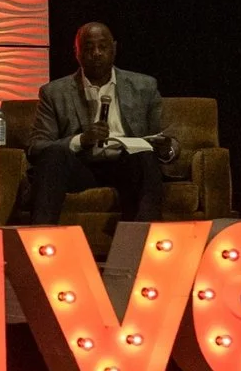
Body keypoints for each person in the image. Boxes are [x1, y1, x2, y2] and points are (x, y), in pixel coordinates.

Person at [18, 21, 176, 225]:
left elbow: (163, 138)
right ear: (77, 53)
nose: (97, 53)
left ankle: (142, 243)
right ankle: (40, 241)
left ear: (114, 49)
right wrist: (82, 139)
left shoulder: (144, 86)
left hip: (126, 165)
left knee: (145, 157)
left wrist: (166, 148)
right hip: (80, 167)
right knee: (53, 154)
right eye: (89, 48)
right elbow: (37, 147)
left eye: (103, 47)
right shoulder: (54, 92)